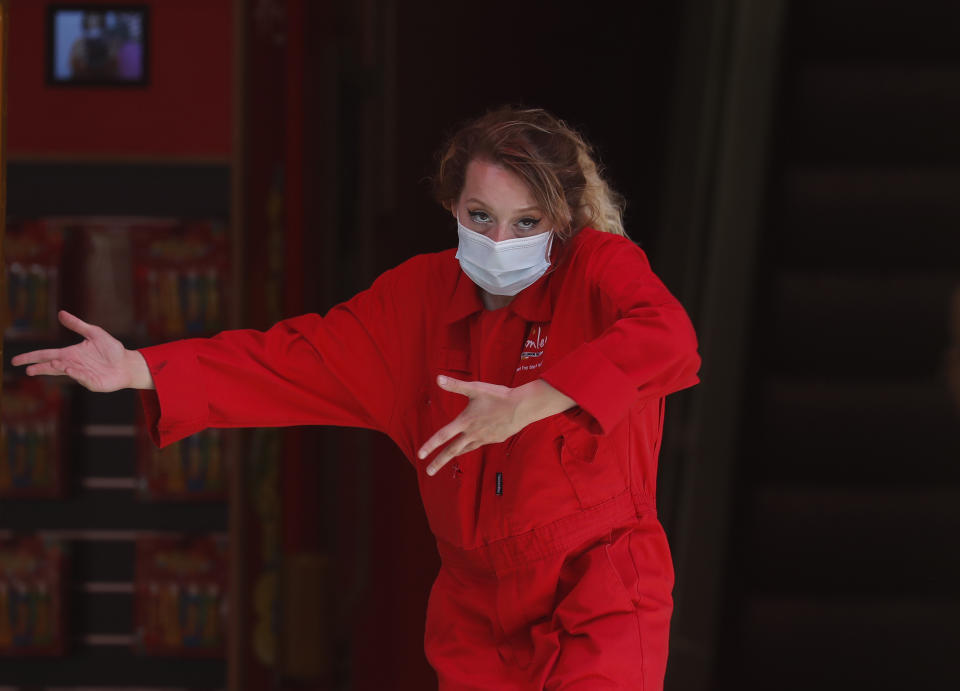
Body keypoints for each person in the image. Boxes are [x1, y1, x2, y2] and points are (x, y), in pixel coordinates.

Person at [12, 106, 701, 690]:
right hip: (476, 609)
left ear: (562, 217)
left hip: (598, 585)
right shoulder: (415, 302)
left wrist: (530, 401)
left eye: (526, 223)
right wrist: (139, 366)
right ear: (451, 207)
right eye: (481, 215)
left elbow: (666, 335)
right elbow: (292, 360)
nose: (499, 241)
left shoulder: (599, 270)